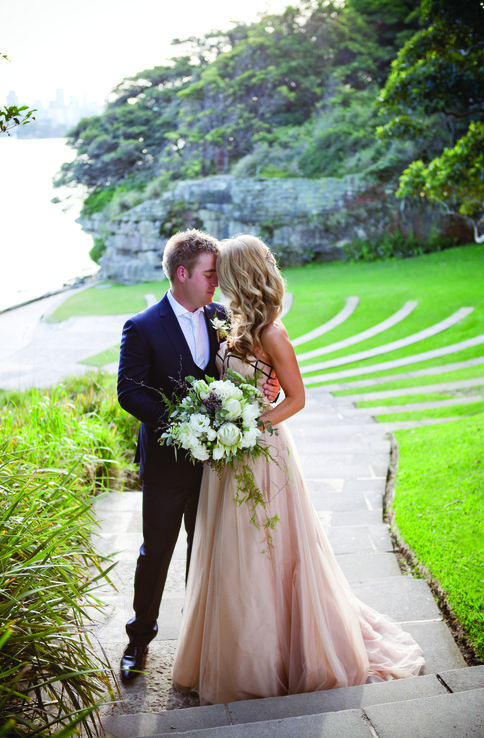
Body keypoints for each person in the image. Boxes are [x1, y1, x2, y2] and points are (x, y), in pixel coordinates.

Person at [172, 234, 425, 705]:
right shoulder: (232, 322)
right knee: (231, 555)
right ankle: (232, 652)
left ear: (238, 272)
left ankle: (274, 661)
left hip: (262, 453)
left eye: (221, 270)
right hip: (228, 459)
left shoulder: (272, 332)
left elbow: (296, 398)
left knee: (267, 552)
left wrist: (247, 424)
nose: (215, 278)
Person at [117, 229, 278, 682]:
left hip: (220, 465)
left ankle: (197, 638)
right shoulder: (142, 326)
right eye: (211, 274)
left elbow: (253, 369)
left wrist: (269, 387)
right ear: (182, 273)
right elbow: (128, 393)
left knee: (207, 550)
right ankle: (138, 640)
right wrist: (182, 424)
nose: (217, 282)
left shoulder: (223, 316)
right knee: (157, 552)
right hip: (168, 465)